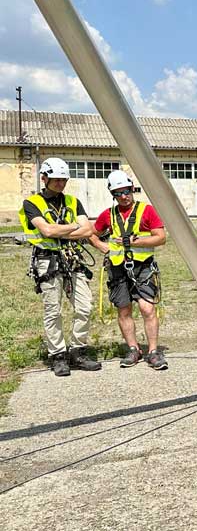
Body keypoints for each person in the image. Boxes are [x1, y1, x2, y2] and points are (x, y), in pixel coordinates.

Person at [19, 157, 100, 377]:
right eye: (55, 180)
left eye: (63, 180)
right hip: (47, 261)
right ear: (44, 178)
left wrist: (62, 229)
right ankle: (58, 355)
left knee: (85, 306)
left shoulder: (73, 202)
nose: (60, 183)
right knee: (53, 310)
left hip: (72, 259)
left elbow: (88, 230)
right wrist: (74, 227)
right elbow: (47, 232)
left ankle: (78, 350)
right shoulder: (32, 203)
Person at [89, 170, 169, 370]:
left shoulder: (147, 210)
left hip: (143, 267)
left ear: (132, 188)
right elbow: (91, 233)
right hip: (117, 269)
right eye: (118, 193)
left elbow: (161, 237)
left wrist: (136, 241)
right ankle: (133, 349)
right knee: (124, 310)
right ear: (113, 195)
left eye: (126, 191)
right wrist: (101, 246)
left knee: (147, 308)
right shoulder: (108, 215)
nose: (123, 196)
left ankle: (153, 351)